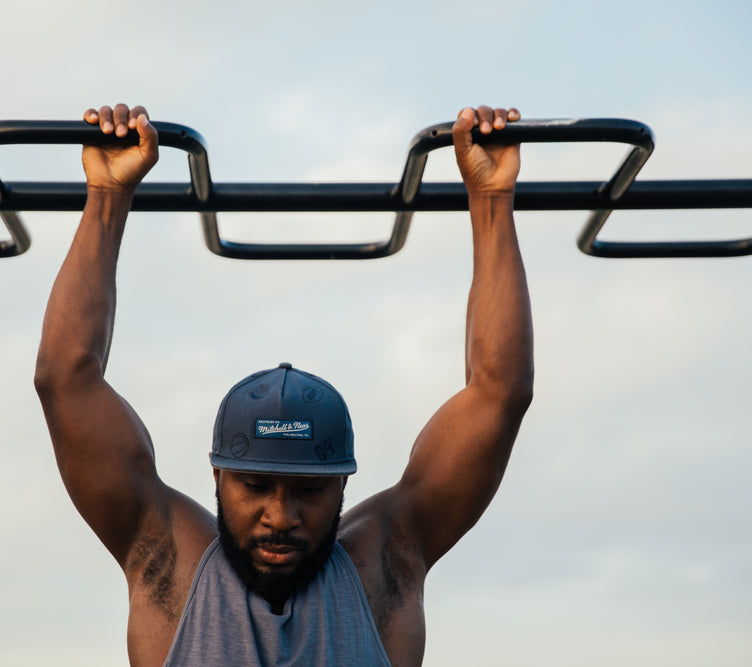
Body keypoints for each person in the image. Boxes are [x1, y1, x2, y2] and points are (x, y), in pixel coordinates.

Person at [34, 103, 533, 666]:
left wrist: (492, 198)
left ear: (344, 484)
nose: (281, 516)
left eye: (309, 490)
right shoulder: (167, 565)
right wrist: (105, 195)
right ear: (218, 476)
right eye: (254, 484)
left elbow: (499, 392)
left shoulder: (384, 569)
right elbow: (66, 381)